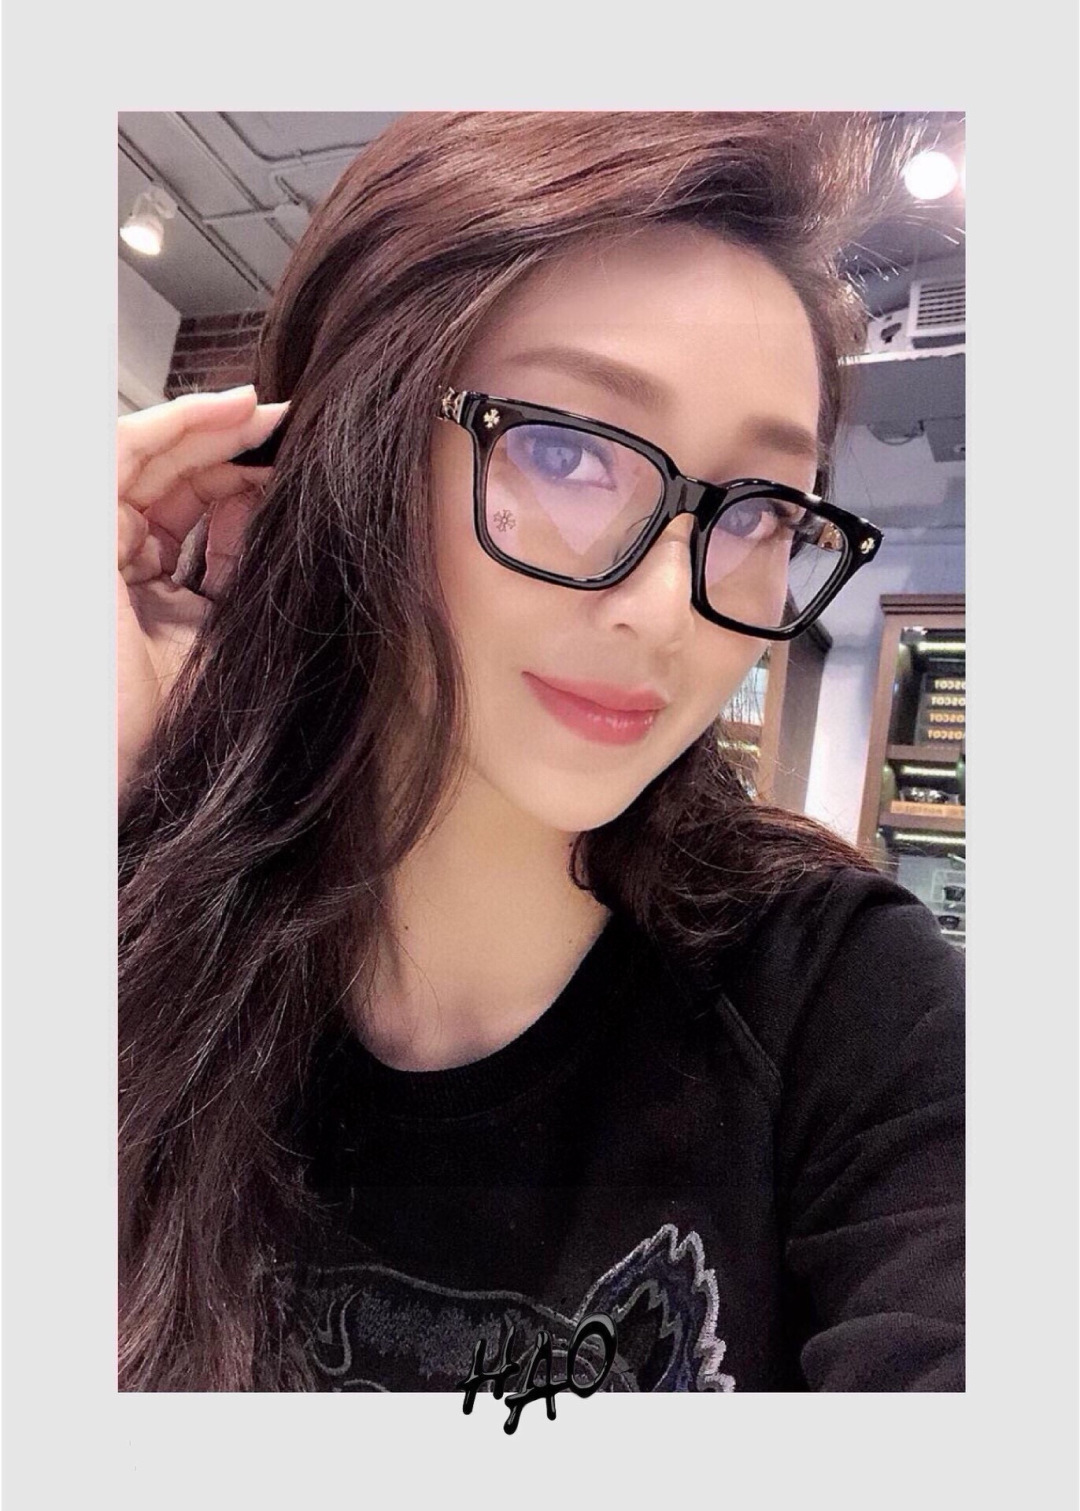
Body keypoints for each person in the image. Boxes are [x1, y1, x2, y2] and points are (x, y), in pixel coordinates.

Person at [117, 111, 964, 1393]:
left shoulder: (846, 1002)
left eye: (760, 509)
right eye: (567, 450)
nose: (669, 612)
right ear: (344, 457)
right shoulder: (148, 922)